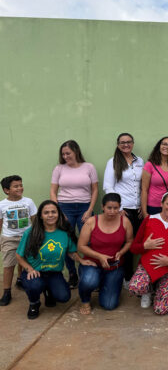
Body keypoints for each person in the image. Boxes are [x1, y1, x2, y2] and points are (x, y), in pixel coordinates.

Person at [15, 200, 91, 319]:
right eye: (46, 212)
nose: (50, 215)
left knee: (64, 297)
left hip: (54, 273)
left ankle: (48, 290)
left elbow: (71, 252)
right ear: (41, 215)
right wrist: (29, 269)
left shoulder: (64, 233)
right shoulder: (30, 233)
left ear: (59, 214)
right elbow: (19, 256)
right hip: (35, 271)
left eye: (53, 212)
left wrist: (81, 260)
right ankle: (34, 303)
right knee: (34, 285)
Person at [129, 182, 168, 314]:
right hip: (148, 267)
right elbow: (133, 248)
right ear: (161, 204)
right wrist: (145, 246)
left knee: (160, 309)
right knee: (135, 287)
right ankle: (149, 290)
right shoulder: (149, 219)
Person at [50, 140, 98, 288]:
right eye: (63, 154)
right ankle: (72, 274)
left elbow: (95, 190)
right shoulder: (59, 168)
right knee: (67, 242)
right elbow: (53, 191)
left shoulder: (89, 167)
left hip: (85, 207)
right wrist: (59, 212)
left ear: (76, 151)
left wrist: (89, 210)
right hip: (65, 207)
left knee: (89, 241)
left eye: (68, 153)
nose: (65, 156)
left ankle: (90, 272)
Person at [77, 193, 133, 314]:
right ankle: (85, 300)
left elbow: (129, 241)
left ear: (119, 207)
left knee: (109, 305)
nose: (112, 211)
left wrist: (121, 252)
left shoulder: (125, 221)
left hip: (114, 266)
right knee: (89, 281)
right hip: (93, 264)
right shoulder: (92, 221)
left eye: (116, 208)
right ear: (103, 207)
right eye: (109, 208)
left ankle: (106, 283)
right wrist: (99, 256)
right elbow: (81, 246)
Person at [103, 132, 144, 287]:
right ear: (118, 145)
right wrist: (118, 208)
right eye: (122, 142)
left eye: (128, 142)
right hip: (123, 210)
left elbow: (142, 185)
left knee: (137, 244)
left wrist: (143, 205)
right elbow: (108, 187)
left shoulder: (140, 161)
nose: (126, 145)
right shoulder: (113, 162)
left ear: (133, 143)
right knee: (125, 244)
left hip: (138, 209)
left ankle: (138, 276)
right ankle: (126, 277)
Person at [0, 176, 37, 306]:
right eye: (16, 186)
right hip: (9, 238)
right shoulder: (2, 205)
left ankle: (20, 279)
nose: (20, 188)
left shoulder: (28, 202)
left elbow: (35, 221)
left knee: (25, 260)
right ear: (6, 190)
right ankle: (6, 292)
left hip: (27, 237)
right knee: (9, 265)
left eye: (21, 185)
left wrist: (36, 236)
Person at [141, 136, 168, 217]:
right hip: (153, 207)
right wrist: (144, 212)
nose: (166, 147)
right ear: (159, 146)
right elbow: (144, 190)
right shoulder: (150, 165)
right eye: (164, 144)